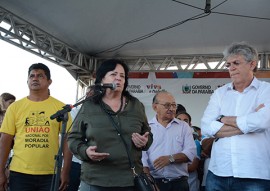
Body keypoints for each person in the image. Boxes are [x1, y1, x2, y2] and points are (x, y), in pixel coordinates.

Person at [68, 59, 153, 191]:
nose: (118, 78)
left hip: (129, 181)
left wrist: (144, 141)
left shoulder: (136, 105)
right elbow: (73, 139)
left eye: (122, 76)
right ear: (102, 79)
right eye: (114, 74)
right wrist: (85, 152)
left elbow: (148, 135)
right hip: (95, 179)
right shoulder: (89, 106)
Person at [201, 42, 270, 191]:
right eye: (228, 64)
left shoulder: (267, 90)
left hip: (254, 173)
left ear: (252, 64)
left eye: (236, 63)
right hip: (218, 172)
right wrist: (249, 122)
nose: (231, 68)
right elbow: (206, 126)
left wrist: (223, 119)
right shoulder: (220, 93)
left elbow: (263, 121)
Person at [0, 63, 73, 191]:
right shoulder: (15, 108)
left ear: (49, 81)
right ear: (27, 81)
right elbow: (5, 140)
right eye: (32, 76)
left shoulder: (61, 108)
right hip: (19, 173)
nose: (35, 78)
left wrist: (65, 171)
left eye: (40, 76)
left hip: (50, 173)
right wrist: (0, 171)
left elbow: (68, 140)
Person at [142, 91, 196, 191]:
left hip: (179, 184)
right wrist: (150, 184)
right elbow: (142, 159)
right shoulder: (146, 127)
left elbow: (191, 152)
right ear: (155, 107)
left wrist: (171, 158)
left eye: (173, 105)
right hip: (155, 182)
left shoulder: (183, 127)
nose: (171, 109)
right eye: (167, 105)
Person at [176, 111, 201, 191]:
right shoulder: (169, 141)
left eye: (185, 120)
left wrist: (169, 163)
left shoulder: (195, 142)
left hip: (190, 183)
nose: (182, 122)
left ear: (190, 124)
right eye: (179, 119)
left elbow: (192, 167)